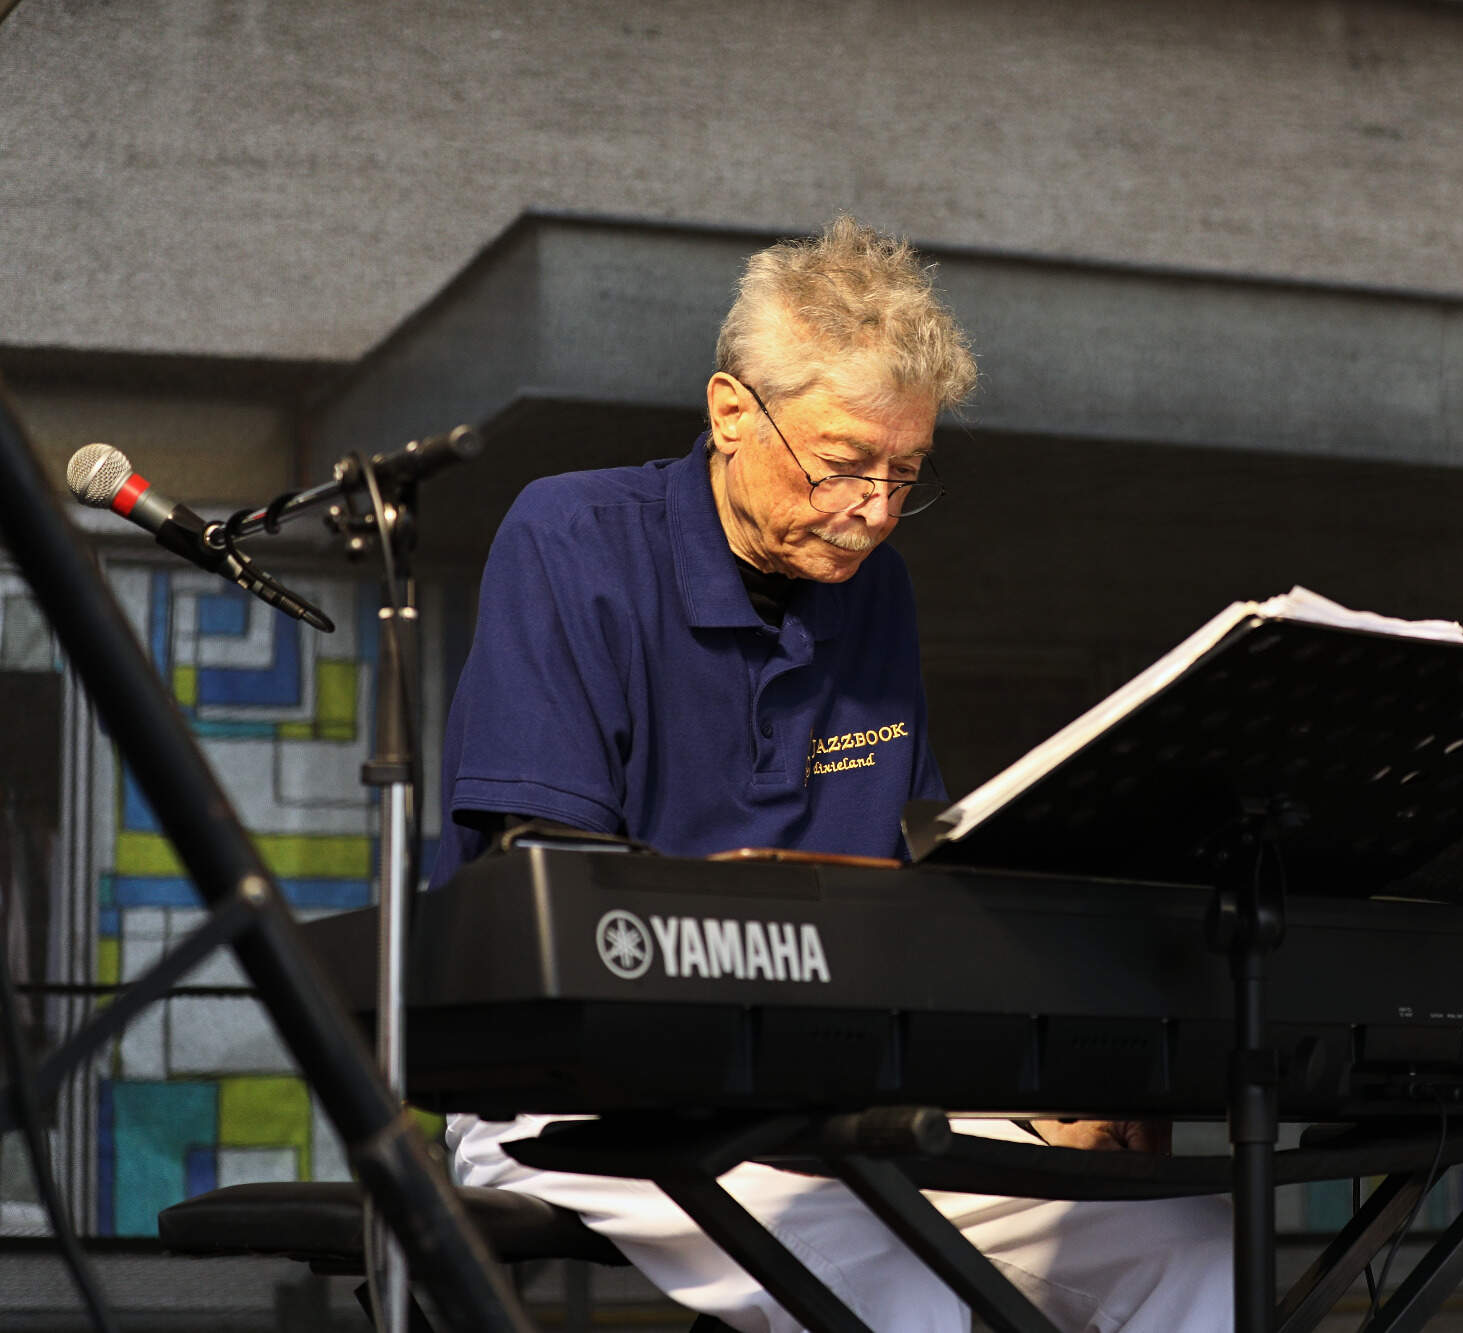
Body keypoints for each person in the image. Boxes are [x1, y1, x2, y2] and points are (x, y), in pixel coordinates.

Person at [429, 216, 1232, 1331]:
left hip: (828, 1097)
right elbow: (554, 891)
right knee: (911, 1281)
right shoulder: (572, 535)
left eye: (906, 474)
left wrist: (1050, 1078)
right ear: (730, 412)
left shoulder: (875, 591)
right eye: (846, 463)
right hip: (582, 1100)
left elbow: (921, 898)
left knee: (1187, 1247)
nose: (877, 511)